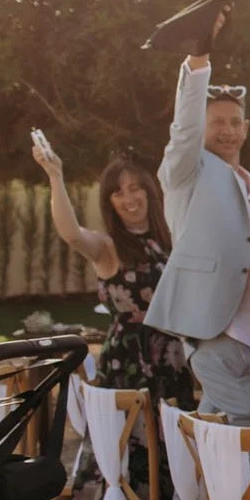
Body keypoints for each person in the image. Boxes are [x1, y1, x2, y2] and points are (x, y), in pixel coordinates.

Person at [142, 22, 250, 428]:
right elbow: (183, 132)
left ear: (246, 128)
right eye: (217, 122)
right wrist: (199, 62)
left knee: (246, 446)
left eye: (235, 122)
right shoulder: (188, 173)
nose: (228, 131)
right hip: (220, 337)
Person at [31, 142, 197, 409]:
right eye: (118, 193)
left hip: (173, 355)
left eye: (135, 188)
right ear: (109, 202)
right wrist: (55, 176)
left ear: (148, 191)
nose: (129, 199)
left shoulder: (171, 239)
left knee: (175, 443)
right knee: (132, 444)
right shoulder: (107, 246)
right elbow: (72, 234)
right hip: (128, 360)